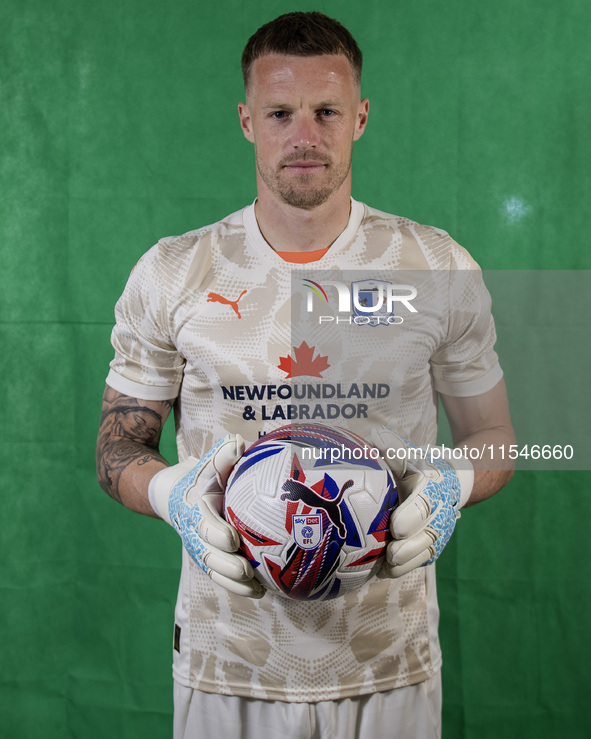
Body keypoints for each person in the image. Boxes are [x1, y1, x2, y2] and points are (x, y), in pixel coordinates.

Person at [96, 11, 515, 739]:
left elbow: (493, 435)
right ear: (245, 121)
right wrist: (173, 494)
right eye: (279, 112)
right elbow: (116, 449)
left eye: (325, 111)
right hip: (228, 661)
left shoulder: (436, 266)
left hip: (389, 660)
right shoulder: (173, 272)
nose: (304, 135)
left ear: (359, 117)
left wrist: (453, 479)